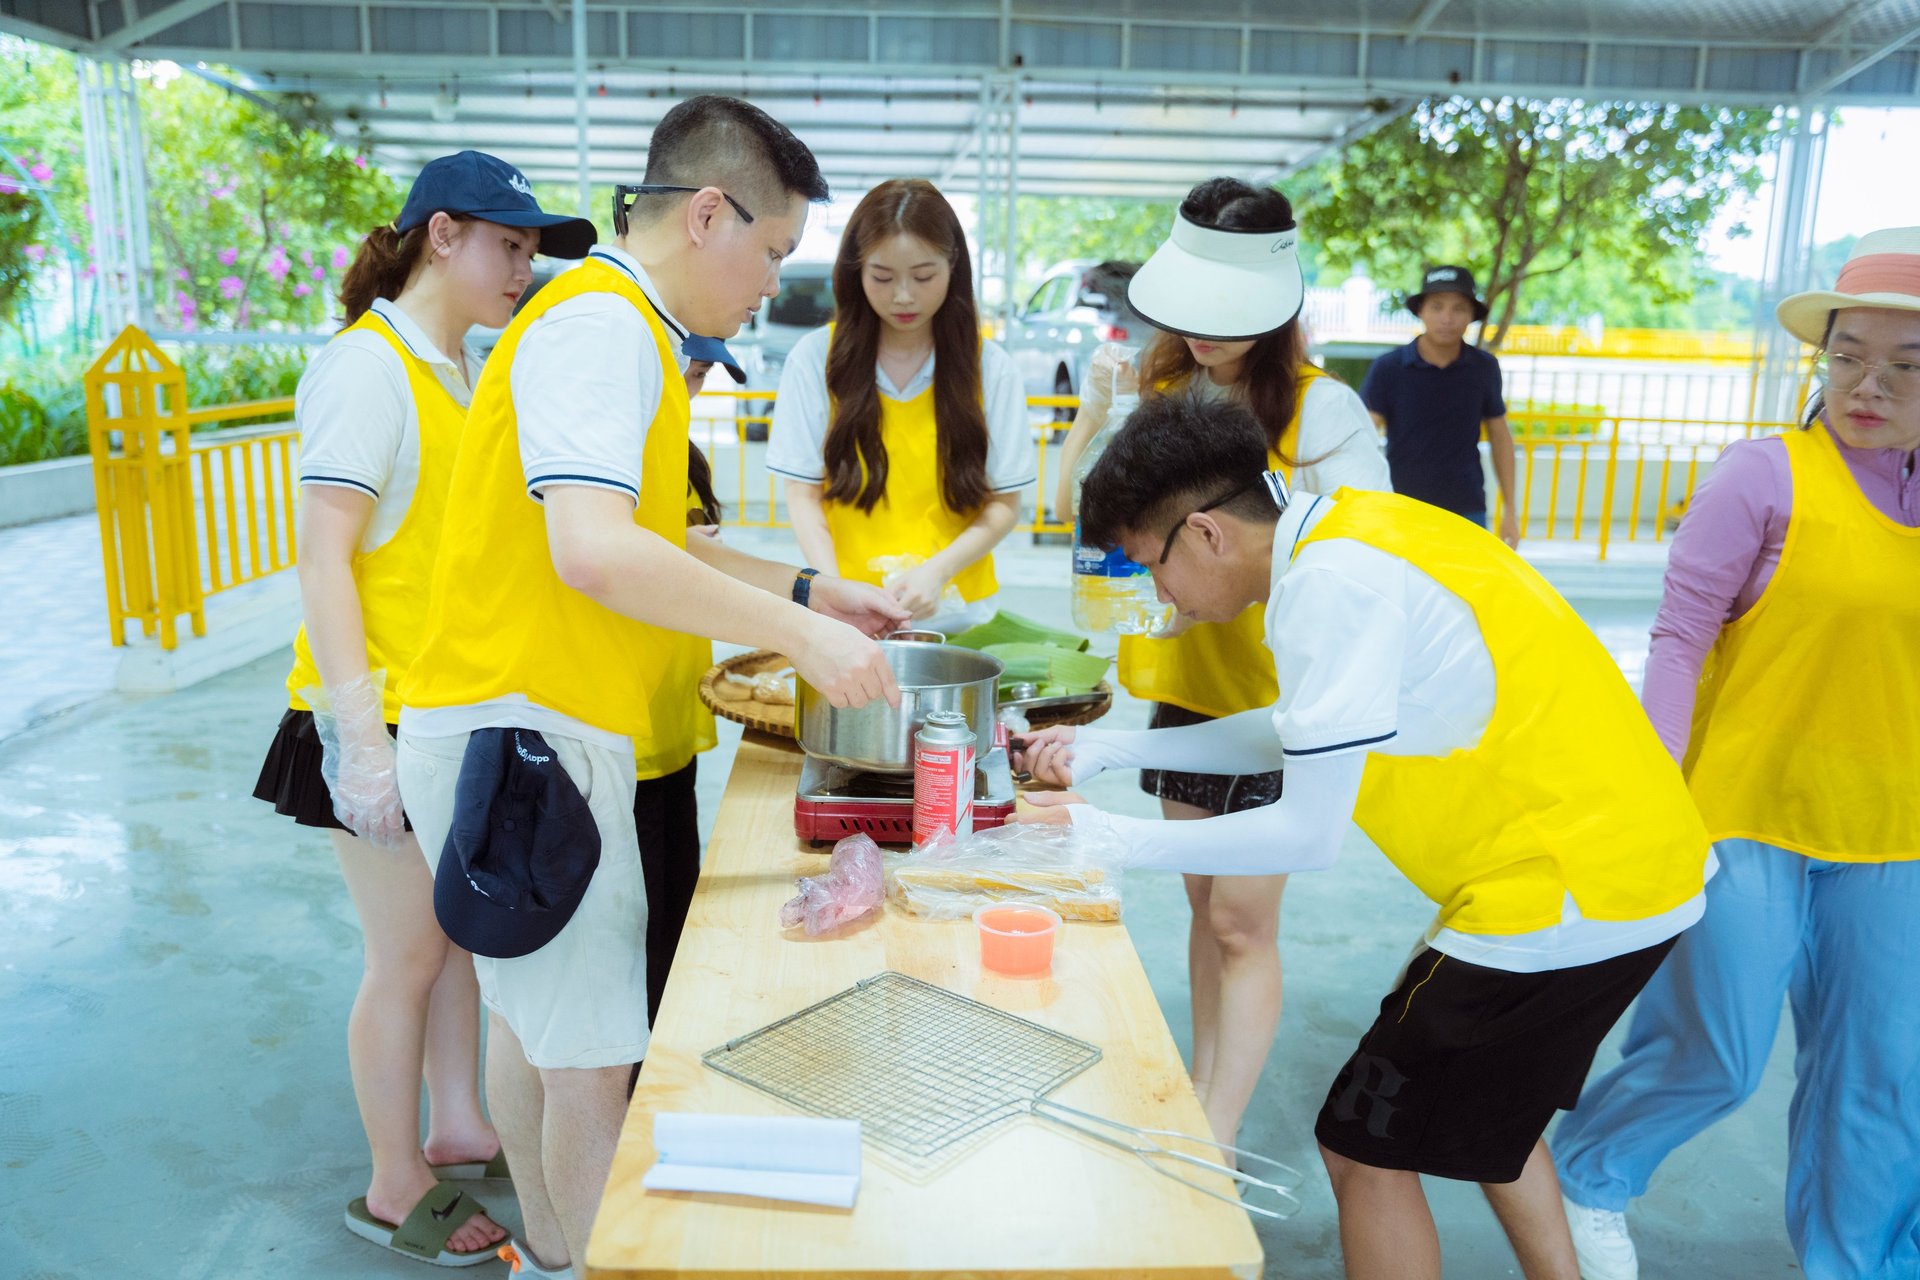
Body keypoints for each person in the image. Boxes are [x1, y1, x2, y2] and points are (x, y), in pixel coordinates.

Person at [1012, 393, 1711, 1280]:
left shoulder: (1330, 588)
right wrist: (1115, 750)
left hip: (1560, 894)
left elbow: (1306, 835)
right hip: (1631, 867)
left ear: (1206, 533)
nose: (1161, 595)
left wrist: (1106, 839)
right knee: (1492, 1118)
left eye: (1154, 566)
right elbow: (1304, 727)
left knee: (1359, 1146)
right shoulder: (1353, 532)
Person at [394, 96, 906, 1280]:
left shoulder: (615, 323)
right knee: (588, 1067)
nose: (771, 284)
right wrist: (802, 634)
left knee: (536, 1029)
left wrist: (812, 593)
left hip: (512, 726)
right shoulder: (603, 325)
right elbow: (594, 551)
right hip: (531, 739)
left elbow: (653, 539)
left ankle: (554, 1253)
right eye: (773, 251)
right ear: (708, 213)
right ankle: (590, 1258)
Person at [250, 151, 596, 1266]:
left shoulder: (455, 367)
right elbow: (323, 560)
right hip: (373, 716)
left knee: (450, 943)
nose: (523, 268)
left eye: (531, 250)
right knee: (403, 957)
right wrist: (358, 738)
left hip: (438, 709)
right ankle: (393, 1180)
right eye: (509, 245)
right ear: (441, 236)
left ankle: (456, 1125)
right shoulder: (367, 367)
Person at [1553, 228, 1920, 1280]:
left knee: (1886, 1071)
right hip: (1742, 810)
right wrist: (1656, 798)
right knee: (1716, 1050)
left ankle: (1860, 1260)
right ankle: (1587, 1172)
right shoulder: (1764, 475)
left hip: (1894, 829)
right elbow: (1680, 639)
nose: (1867, 385)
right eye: (1847, 355)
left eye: (1905, 366)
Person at [1051, 177, 1389, 1157]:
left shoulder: (1322, 412)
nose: (1201, 331)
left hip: (1283, 702)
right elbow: (1090, 516)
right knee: (1207, 900)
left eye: (1223, 311)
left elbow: (1367, 552)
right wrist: (1095, 416)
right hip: (1189, 690)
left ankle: (1216, 1135)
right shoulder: (1160, 389)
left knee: (1243, 918)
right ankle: (1206, 1088)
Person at [768, 178, 1034, 636]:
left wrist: (937, 572)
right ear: (856, 271)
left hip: (962, 614)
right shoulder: (814, 359)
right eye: (883, 277)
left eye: (924, 276)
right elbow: (803, 494)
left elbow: (1005, 504)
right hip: (850, 613)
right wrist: (834, 588)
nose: (904, 296)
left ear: (953, 266)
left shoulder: (990, 368)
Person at [1361, 265, 1520, 547]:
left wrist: (1510, 510)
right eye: (1437, 307)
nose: (1447, 318)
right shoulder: (1389, 368)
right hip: (1400, 507)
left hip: (1466, 509)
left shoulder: (1484, 368)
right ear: (1421, 310)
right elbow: (1362, 434)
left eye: (1459, 308)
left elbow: (1500, 436)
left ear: (1471, 315)